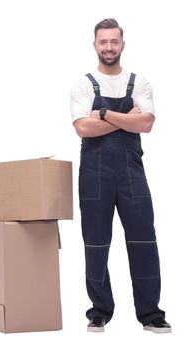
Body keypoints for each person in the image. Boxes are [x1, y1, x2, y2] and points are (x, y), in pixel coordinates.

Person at [70, 18, 171, 334]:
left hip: (131, 174)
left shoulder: (139, 82)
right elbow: (82, 129)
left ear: (122, 44)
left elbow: (147, 124)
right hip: (94, 175)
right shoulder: (83, 84)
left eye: (114, 41)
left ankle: (151, 314)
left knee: (144, 240)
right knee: (96, 244)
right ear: (95, 45)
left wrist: (103, 114)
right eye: (103, 42)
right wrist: (128, 118)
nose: (109, 47)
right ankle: (99, 311)